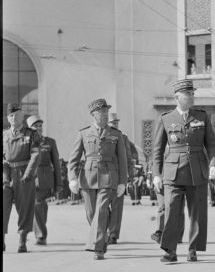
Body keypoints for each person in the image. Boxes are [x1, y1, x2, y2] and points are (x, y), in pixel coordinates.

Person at [152, 79, 215, 263]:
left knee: (197, 212)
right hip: (173, 173)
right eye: (188, 94)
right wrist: (156, 174)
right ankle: (170, 250)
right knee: (172, 211)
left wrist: (213, 164)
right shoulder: (166, 118)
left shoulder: (202, 117)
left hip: (197, 170)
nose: (191, 96)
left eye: (192, 93)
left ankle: (193, 249)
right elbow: (157, 150)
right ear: (177, 97)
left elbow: (212, 144)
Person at [68, 98, 127, 260]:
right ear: (93, 114)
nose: (105, 115)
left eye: (106, 112)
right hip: (88, 177)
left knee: (101, 211)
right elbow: (73, 159)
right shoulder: (83, 133)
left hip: (109, 177)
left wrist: (122, 181)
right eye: (101, 112)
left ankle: (98, 248)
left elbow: (122, 160)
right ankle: (101, 236)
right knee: (91, 213)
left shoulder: (115, 134)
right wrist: (72, 178)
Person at [3, 103, 40, 252]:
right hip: (7, 173)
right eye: (11, 115)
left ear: (22, 116)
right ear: (7, 117)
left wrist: (28, 174)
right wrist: (4, 175)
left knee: (25, 207)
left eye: (17, 115)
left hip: (23, 173)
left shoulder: (31, 134)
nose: (14, 118)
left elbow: (36, 154)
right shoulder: (4, 135)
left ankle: (22, 240)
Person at [26, 114, 62, 245]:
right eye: (35, 126)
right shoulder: (24, 142)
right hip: (29, 178)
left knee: (39, 204)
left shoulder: (49, 142)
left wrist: (59, 183)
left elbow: (56, 164)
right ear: (29, 128)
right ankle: (38, 234)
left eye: (40, 126)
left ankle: (41, 235)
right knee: (38, 205)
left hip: (44, 178)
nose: (39, 128)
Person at [106, 112, 134, 244]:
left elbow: (128, 158)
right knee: (103, 206)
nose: (115, 125)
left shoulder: (123, 137)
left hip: (118, 175)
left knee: (117, 207)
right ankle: (105, 229)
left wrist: (129, 177)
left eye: (116, 122)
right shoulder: (103, 135)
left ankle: (113, 234)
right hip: (104, 175)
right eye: (113, 123)